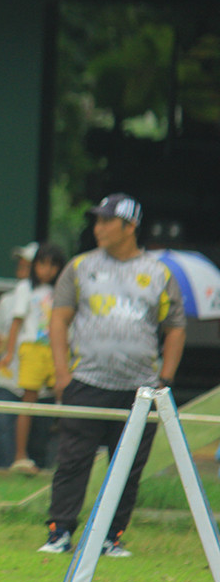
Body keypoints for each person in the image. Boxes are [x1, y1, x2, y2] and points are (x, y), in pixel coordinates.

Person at [40, 193, 186, 557]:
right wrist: (61, 373)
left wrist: (164, 378)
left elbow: (176, 327)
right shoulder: (79, 267)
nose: (98, 227)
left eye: (107, 221)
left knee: (128, 466)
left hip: (141, 388)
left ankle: (111, 537)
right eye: (97, 220)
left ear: (130, 226)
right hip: (86, 381)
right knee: (73, 460)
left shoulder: (159, 273)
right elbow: (59, 318)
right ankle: (60, 532)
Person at [0, 242, 65, 476]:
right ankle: (20, 456)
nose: (46, 270)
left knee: (65, 396)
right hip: (32, 348)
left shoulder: (62, 289)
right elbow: (16, 322)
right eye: (41, 264)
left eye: (52, 265)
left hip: (56, 348)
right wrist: (9, 353)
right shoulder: (24, 289)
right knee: (29, 400)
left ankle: (69, 455)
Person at [0, 242, 39, 468]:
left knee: (39, 432)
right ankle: (4, 472)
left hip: (38, 377)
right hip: (8, 375)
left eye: (27, 262)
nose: (21, 265)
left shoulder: (52, 298)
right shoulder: (8, 300)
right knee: (3, 425)